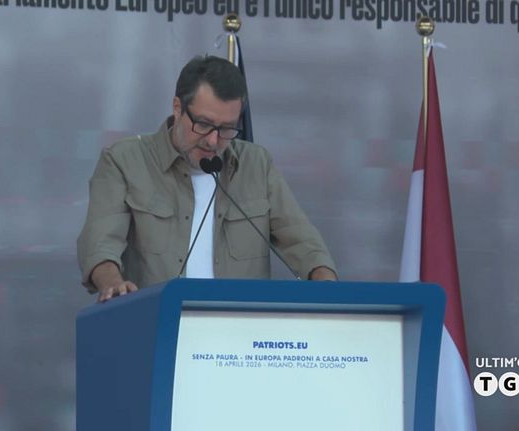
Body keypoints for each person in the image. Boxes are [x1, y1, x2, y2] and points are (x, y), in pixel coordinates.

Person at [77, 55, 338, 302]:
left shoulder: (257, 165)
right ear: (177, 108)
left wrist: (326, 283)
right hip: (156, 322)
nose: (213, 141)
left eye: (226, 129)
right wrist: (113, 283)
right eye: (203, 124)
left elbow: (302, 241)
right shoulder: (124, 161)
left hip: (240, 326)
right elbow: (100, 243)